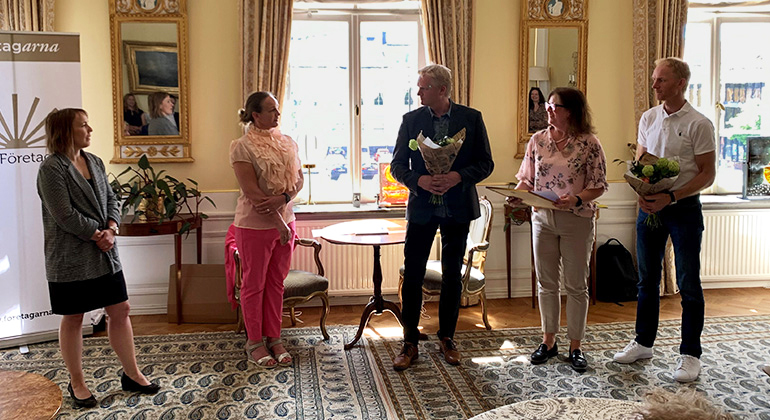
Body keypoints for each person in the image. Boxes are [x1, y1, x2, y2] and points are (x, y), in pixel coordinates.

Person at [36, 109, 160, 408]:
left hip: (106, 253)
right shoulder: (51, 169)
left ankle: (132, 374)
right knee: (74, 316)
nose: (90, 129)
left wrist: (112, 229)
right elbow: (64, 215)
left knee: (121, 309)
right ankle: (77, 382)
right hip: (70, 256)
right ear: (66, 132)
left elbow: (112, 199)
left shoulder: (95, 161)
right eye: (83, 125)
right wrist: (97, 234)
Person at [613, 57, 716, 383]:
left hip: (683, 209)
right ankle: (643, 343)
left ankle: (690, 355)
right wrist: (642, 192)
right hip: (649, 208)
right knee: (646, 279)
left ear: (680, 83)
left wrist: (671, 197)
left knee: (688, 283)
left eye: (661, 80)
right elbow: (642, 162)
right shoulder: (648, 117)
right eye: (655, 79)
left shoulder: (700, 123)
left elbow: (708, 174)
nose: (654, 85)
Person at [390, 64, 494, 371]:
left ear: (442, 90)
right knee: (413, 274)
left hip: (457, 208)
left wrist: (457, 177)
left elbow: (485, 163)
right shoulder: (411, 120)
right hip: (422, 209)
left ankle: (448, 337)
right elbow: (397, 166)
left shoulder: (471, 119)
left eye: (423, 87)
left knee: (452, 275)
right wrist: (419, 181)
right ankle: (409, 341)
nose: (418, 93)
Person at [510, 87, 607, 372]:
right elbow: (526, 179)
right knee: (546, 283)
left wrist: (575, 199)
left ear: (571, 111)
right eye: (548, 106)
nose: (549, 110)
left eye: (555, 106)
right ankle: (548, 341)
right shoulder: (537, 140)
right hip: (542, 219)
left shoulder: (589, 143)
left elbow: (598, 185)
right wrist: (517, 195)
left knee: (576, 285)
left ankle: (576, 346)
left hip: (576, 219)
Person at [230, 91, 304, 368]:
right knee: (254, 285)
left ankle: (274, 338)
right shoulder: (241, 147)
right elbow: (253, 193)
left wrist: (284, 199)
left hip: (286, 222)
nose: (277, 114)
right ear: (256, 115)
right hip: (254, 226)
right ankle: (254, 342)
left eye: (277, 109)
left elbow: (298, 180)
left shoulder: (287, 142)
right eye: (271, 110)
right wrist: (278, 222)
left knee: (276, 283)